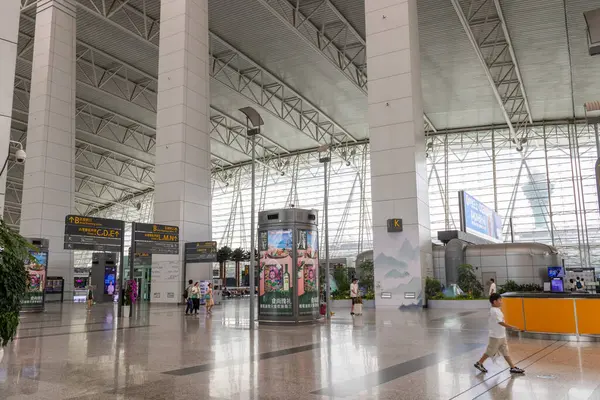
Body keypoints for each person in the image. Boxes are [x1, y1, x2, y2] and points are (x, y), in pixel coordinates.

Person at [474, 293, 524, 374]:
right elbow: (500, 322)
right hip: (495, 336)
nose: (501, 302)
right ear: (494, 301)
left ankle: (513, 367)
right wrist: (511, 327)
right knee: (490, 352)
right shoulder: (494, 311)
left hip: (501, 335)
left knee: (505, 351)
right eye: (500, 300)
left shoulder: (497, 310)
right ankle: (479, 363)